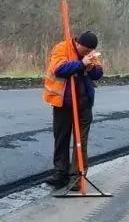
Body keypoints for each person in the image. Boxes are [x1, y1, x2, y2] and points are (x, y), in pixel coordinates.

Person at [42, 29, 104, 195]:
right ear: (78, 44)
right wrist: (80, 64)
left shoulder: (91, 54)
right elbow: (59, 69)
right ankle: (60, 173)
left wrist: (90, 67)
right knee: (61, 138)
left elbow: (98, 73)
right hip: (63, 103)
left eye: (90, 52)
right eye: (85, 51)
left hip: (83, 103)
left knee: (80, 141)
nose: (88, 53)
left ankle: (77, 176)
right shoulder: (62, 48)